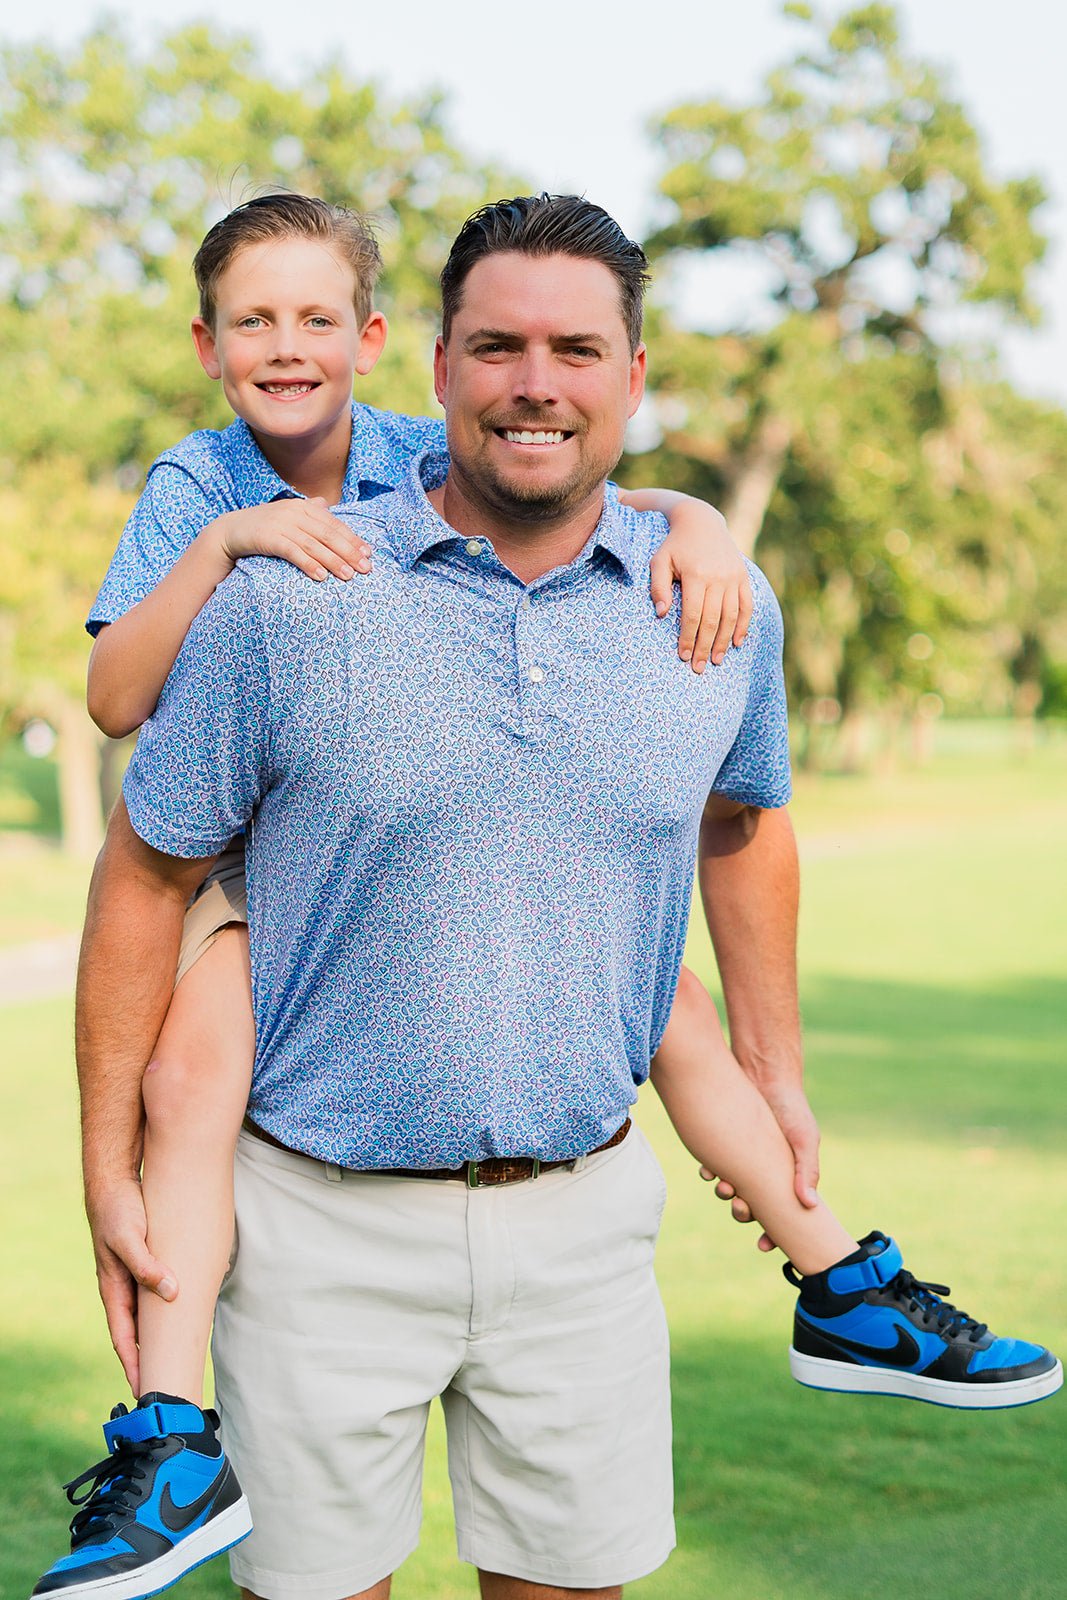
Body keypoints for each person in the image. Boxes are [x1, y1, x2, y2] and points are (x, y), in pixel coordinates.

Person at [37, 196, 1059, 1600]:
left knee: (673, 1006)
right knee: (201, 1063)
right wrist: (106, 1162)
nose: (536, 382)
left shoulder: (707, 597)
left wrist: (782, 1069)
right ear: (445, 364)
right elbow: (140, 840)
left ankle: (841, 1283)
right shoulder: (264, 569)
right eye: (501, 347)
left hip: (581, 1235)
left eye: (578, 349)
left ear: (634, 375)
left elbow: (744, 824)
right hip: (316, 1222)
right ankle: (165, 1435)